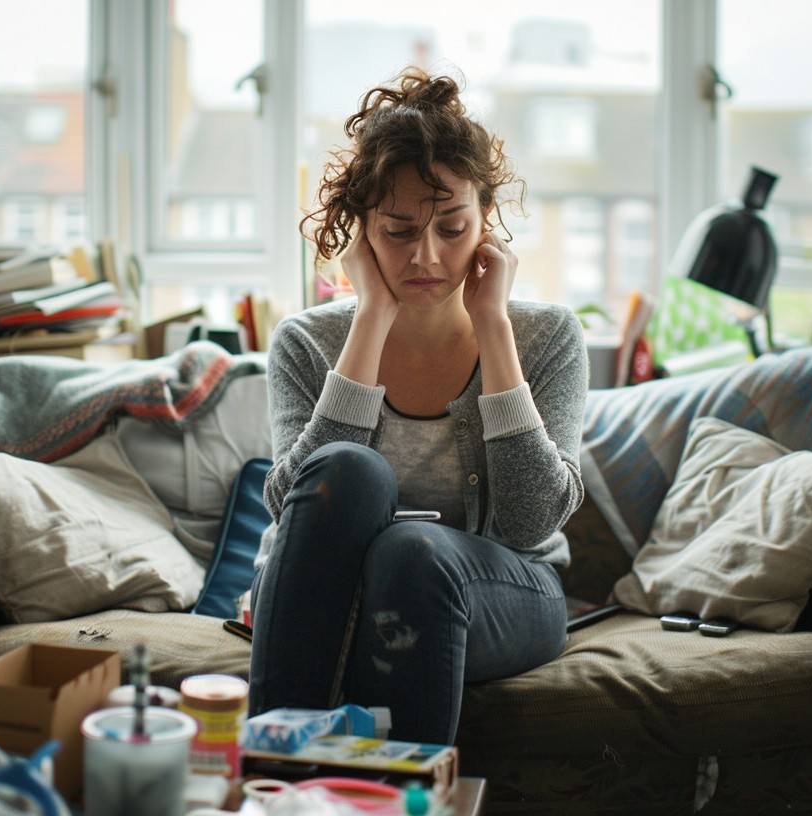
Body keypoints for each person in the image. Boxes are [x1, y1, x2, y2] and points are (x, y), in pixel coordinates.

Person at [248, 66, 587, 745]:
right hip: (334, 598)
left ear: (486, 222)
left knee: (413, 551)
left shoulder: (546, 336)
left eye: (452, 229)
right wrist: (370, 316)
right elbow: (295, 513)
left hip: (502, 592)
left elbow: (526, 523)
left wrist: (494, 328)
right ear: (361, 235)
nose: (426, 256)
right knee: (348, 470)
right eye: (398, 232)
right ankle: (279, 777)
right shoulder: (305, 344)